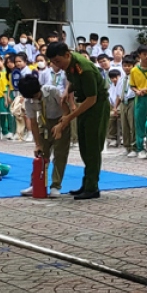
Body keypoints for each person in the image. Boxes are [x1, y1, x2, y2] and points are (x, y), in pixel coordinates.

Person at [44, 42, 110, 200]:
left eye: (57, 61)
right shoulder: (69, 64)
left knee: (92, 147)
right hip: (86, 105)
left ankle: (92, 187)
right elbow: (73, 81)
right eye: (52, 62)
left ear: (67, 54)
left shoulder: (84, 68)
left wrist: (68, 117)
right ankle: (86, 184)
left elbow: (92, 98)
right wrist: (68, 91)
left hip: (97, 106)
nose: (55, 65)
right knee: (84, 145)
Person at [17, 75, 69, 198]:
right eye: (31, 97)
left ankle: (56, 185)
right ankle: (36, 184)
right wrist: (37, 144)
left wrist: (61, 127)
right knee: (42, 155)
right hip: (44, 123)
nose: (35, 99)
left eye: (36, 96)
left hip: (61, 120)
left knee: (60, 154)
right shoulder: (29, 100)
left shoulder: (52, 91)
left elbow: (66, 111)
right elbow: (33, 123)